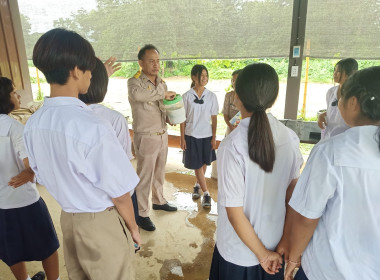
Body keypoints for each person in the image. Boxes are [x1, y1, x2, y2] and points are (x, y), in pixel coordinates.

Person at [24, 28, 141, 280]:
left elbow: (40, 174)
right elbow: (120, 193)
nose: (91, 74)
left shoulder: (35, 122)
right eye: (89, 68)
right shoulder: (92, 125)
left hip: (68, 219)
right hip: (100, 223)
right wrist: (132, 227)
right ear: (76, 70)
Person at [284, 66, 380, 280]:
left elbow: (308, 217)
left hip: (327, 269)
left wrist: (293, 257)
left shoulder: (331, 151)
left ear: (353, 102)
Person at [209, 63, 303, 280]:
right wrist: (285, 239)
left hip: (240, 253)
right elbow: (292, 193)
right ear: (274, 98)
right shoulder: (289, 138)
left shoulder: (232, 145)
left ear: (236, 97)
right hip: (275, 246)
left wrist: (262, 255)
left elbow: (234, 212)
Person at [0, 77, 60, 280]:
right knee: (48, 244)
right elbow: (30, 163)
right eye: (13, 92)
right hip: (25, 200)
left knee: (10, 248)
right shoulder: (14, 128)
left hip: (1, 204)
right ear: (4, 98)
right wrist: (32, 170)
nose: (17, 95)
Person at [79, 57, 138, 219]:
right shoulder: (114, 118)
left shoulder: (63, 116)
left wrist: (100, 75)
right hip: (113, 199)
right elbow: (121, 166)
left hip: (81, 203)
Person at [128, 44, 177, 232]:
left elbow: (161, 105)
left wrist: (168, 117)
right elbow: (139, 96)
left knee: (159, 172)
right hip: (146, 136)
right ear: (141, 63)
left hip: (162, 134)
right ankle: (142, 213)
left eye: (157, 61)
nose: (156, 65)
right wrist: (162, 93)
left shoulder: (161, 82)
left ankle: (159, 201)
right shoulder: (134, 82)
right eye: (151, 61)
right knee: (144, 176)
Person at [180, 64, 219, 209]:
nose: (205, 78)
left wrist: (214, 137)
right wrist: (182, 137)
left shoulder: (211, 96)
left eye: (206, 75)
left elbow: (214, 118)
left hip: (207, 134)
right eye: (201, 75)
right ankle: (206, 193)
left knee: (204, 162)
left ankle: (197, 185)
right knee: (197, 165)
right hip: (191, 134)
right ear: (193, 77)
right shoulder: (186, 96)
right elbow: (182, 118)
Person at [317, 58, 358, 139]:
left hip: (346, 140)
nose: (334, 74)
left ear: (349, 73)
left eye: (338, 71)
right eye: (334, 71)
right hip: (329, 137)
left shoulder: (356, 95)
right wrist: (324, 114)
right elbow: (335, 110)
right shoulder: (331, 92)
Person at [222, 69, 242, 135]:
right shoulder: (228, 95)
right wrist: (231, 127)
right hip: (230, 128)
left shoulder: (248, 96)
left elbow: (245, 113)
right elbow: (225, 114)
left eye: (237, 80)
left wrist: (235, 125)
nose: (234, 82)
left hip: (242, 129)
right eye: (233, 80)